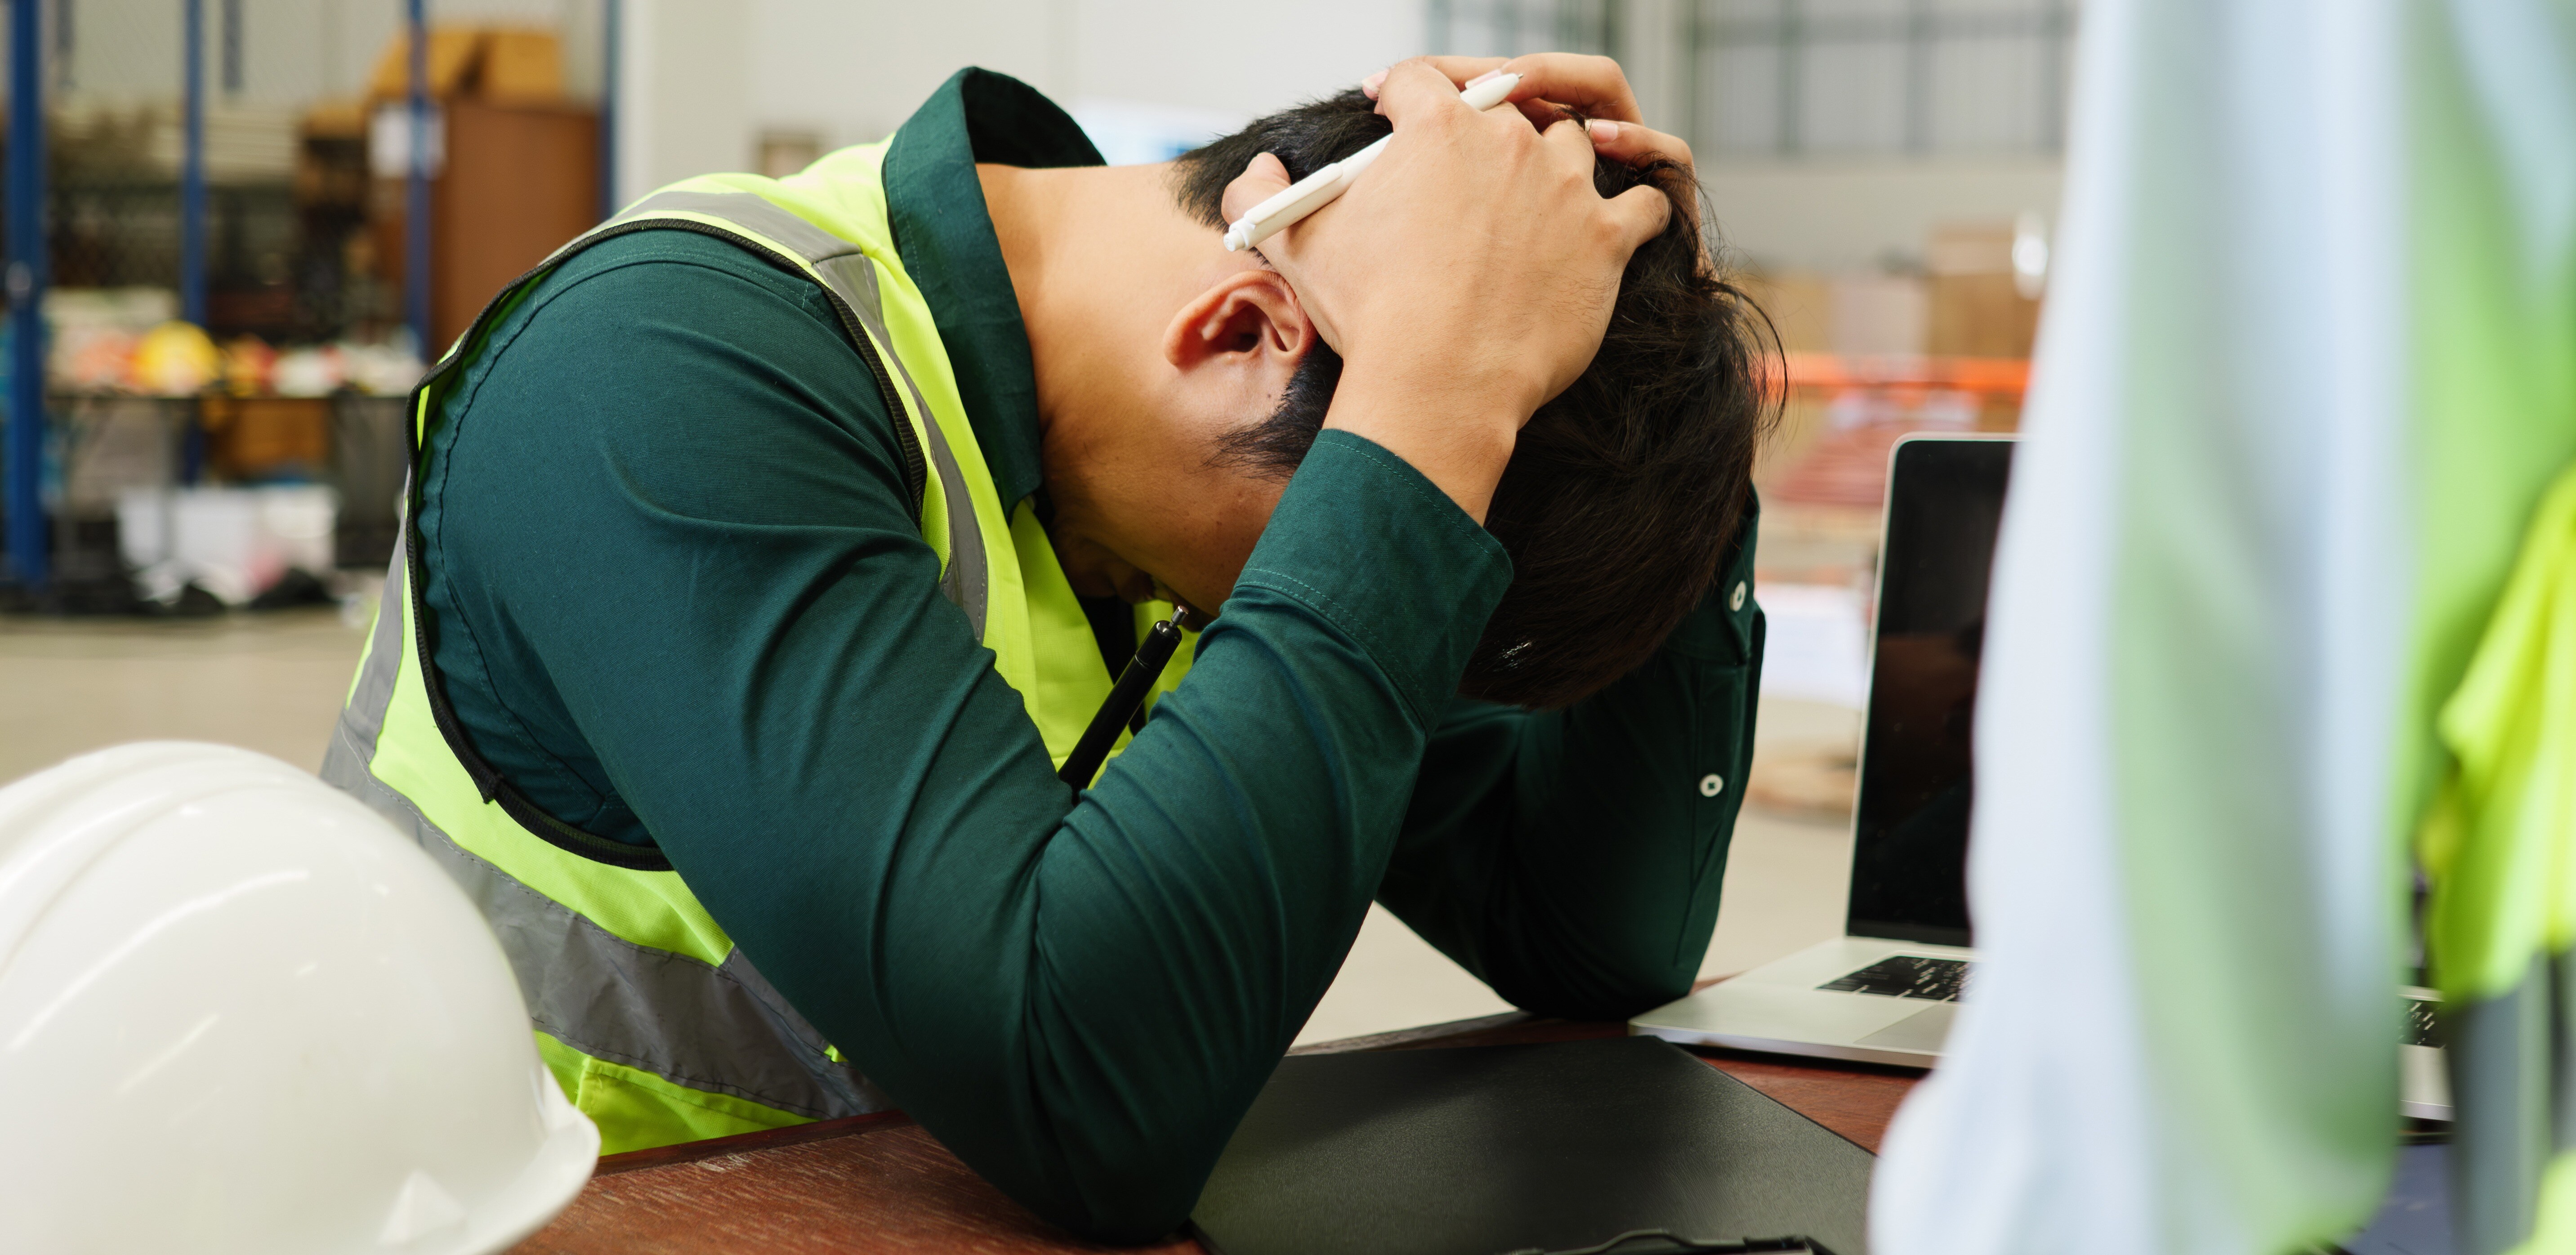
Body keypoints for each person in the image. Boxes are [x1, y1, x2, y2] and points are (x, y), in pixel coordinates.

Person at [322, 53, 1773, 1241]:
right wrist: (1424, 417)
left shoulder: (1177, 476)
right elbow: (1091, 1100)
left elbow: (1592, 932)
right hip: (491, 1218)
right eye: (1384, 480)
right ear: (1241, 324)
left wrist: (1644, 335)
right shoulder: (660, 373)